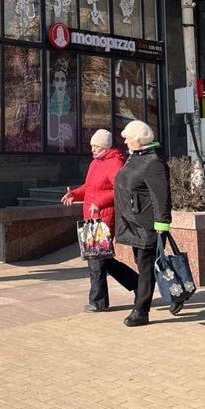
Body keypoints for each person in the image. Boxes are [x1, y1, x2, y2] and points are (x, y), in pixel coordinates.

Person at [62, 129, 138, 313]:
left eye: (96, 146)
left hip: (104, 218)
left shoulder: (115, 163)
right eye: (92, 146)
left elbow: (119, 190)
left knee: (96, 260)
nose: (92, 149)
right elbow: (89, 187)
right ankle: (138, 283)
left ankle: (97, 302)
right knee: (103, 259)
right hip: (91, 218)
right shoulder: (95, 162)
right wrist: (74, 194)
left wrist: (99, 202)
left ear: (105, 146)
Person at [113, 120, 173, 327]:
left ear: (139, 140)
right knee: (144, 265)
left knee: (146, 267)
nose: (125, 142)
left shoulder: (153, 162)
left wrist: (162, 224)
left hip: (147, 225)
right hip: (133, 223)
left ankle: (141, 310)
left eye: (128, 138)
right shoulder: (136, 157)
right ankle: (175, 293)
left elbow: (161, 196)